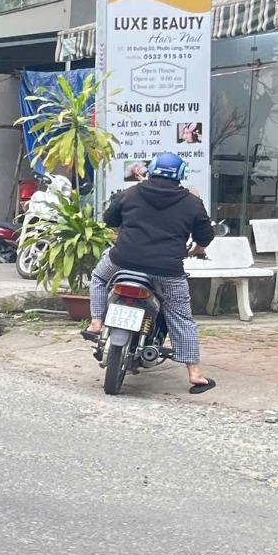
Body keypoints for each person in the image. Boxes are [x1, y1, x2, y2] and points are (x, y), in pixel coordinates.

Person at [83, 152, 217, 393]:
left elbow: (109, 219)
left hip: (123, 261)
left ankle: (96, 322)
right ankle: (195, 373)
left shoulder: (130, 193)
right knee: (180, 315)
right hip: (166, 271)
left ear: (152, 169)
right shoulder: (192, 203)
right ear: (181, 175)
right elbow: (205, 236)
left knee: (99, 278)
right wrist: (197, 249)